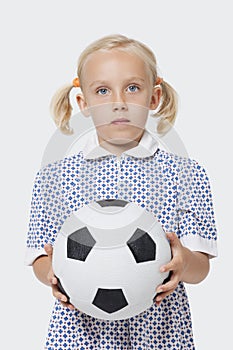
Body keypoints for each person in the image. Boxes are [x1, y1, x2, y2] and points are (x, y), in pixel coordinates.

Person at [25, 34, 218, 349]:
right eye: (102, 91)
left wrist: (182, 263)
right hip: (78, 333)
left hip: (160, 333)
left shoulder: (186, 174)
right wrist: (53, 275)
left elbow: (201, 268)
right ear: (83, 103)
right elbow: (39, 258)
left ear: (153, 98)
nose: (119, 101)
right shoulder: (54, 177)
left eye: (132, 88)